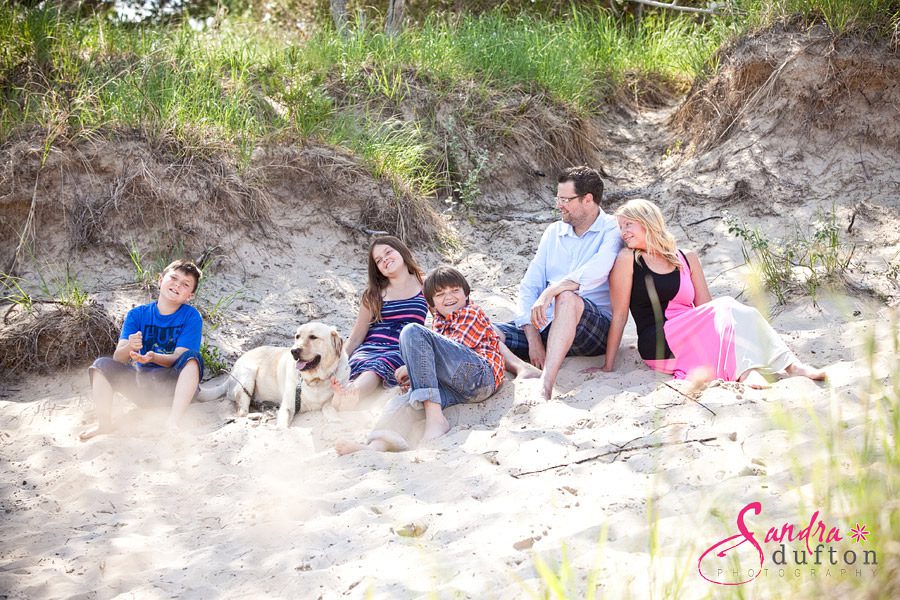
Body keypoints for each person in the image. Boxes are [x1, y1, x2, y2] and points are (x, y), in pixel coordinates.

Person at [601, 198, 826, 388]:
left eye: (628, 224)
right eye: (621, 227)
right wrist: (608, 366)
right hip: (658, 341)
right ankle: (756, 370)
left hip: (693, 334)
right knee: (727, 304)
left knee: (737, 312)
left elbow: (706, 308)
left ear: (648, 223)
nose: (624, 232)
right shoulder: (627, 259)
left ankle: (788, 365)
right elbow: (620, 315)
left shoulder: (686, 257)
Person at [336, 266, 505, 454]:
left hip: (480, 377)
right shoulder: (440, 324)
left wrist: (411, 367)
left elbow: (457, 349)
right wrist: (419, 375)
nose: (449, 297)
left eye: (455, 290)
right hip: (457, 388)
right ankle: (377, 446)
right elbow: (441, 362)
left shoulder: (471, 313)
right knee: (404, 402)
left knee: (411, 331)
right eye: (440, 294)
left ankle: (436, 420)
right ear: (431, 304)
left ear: (466, 294)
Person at [494, 165, 622, 401]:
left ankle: (546, 383)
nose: (558, 205)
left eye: (565, 199)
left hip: (591, 329)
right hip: (548, 325)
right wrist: (533, 340)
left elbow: (598, 270)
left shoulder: (612, 228)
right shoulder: (554, 232)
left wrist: (552, 290)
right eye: (558, 198)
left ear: (588, 199)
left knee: (566, 297)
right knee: (485, 331)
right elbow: (530, 285)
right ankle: (524, 368)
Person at [79, 260, 205, 440]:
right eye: (174, 278)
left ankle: (173, 421)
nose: (177, 285)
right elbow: (118, 358)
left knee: (192, 358)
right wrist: (130, 346)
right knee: (101, 365)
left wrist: (154, 357)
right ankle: (104, 424)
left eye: (185, 284)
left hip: (173, 387)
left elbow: (179, 356)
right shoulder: (137, 315)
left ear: (190, 296)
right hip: (142, 386)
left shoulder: (191, 316)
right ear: (160, 280)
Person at [331, 236, 429, 411]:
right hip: (370, 346)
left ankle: (351, 394)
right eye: (379, 260)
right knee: (360, 363)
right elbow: (355, 338)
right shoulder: (373, 294)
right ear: (377, 268)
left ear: (401, 251)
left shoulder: (425, 284)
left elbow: (442, 318)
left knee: (379, 365)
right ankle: (344, 394)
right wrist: (339, 361)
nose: (385, 260)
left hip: (401, 347)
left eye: (388, 252)